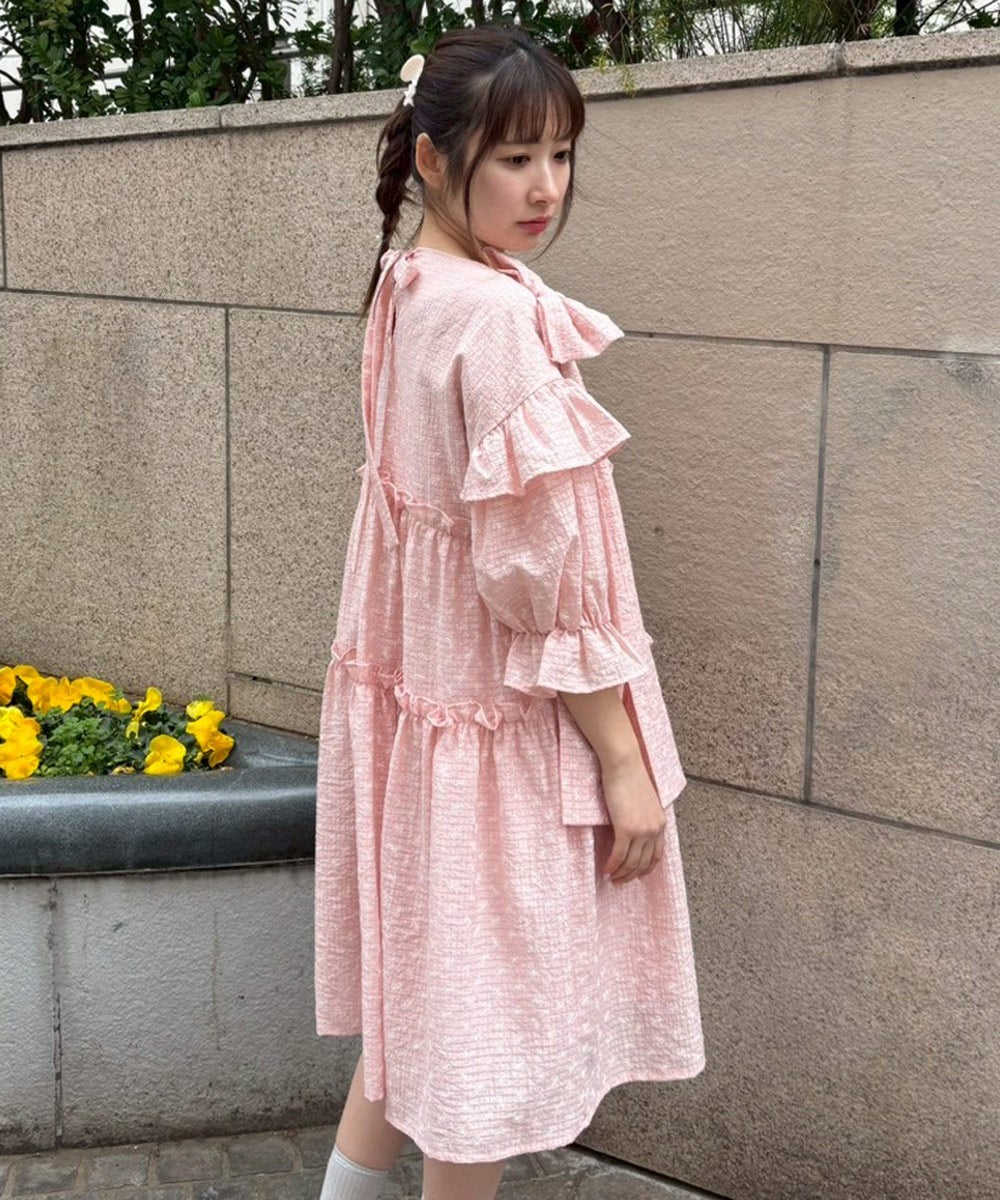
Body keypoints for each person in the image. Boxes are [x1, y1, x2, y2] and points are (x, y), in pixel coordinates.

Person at [313, 23, 706, 1200]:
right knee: (479, 1054)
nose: (544, 188)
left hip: (434, 714)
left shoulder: (414, 282)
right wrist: (623, 764)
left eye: (560, 155)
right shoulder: (488, 319)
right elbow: (538, 585)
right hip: (501, 727)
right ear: (436, 159)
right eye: (514, 157)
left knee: (421, 1018)